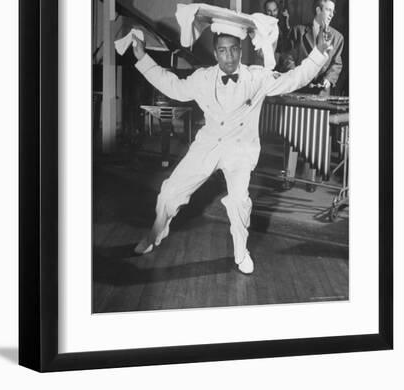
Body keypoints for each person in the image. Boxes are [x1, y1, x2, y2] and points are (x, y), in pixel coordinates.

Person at [131, 21, 333, 274]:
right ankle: (153, 235)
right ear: (215, 54)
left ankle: (241, 253)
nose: (229, 56)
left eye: (234, 50)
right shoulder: (202, 78)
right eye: (223, 51)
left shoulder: (257, 77)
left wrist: (319, 53)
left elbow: (293, 79)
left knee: (239, 201)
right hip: (208, 144)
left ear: (241, 50)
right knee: (169, 193)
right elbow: (173, 86)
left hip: (240, 149)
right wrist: (142, 58)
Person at [282, 0, 344, 92]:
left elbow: (336, 63)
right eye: (328, 10)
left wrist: (328, 79)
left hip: (321, 93)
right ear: (318, 10)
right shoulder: (297, 31)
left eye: (333, 11)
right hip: (298, 89)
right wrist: (295, 78)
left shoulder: (338, 37)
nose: (332, 15)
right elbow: (288, 57)